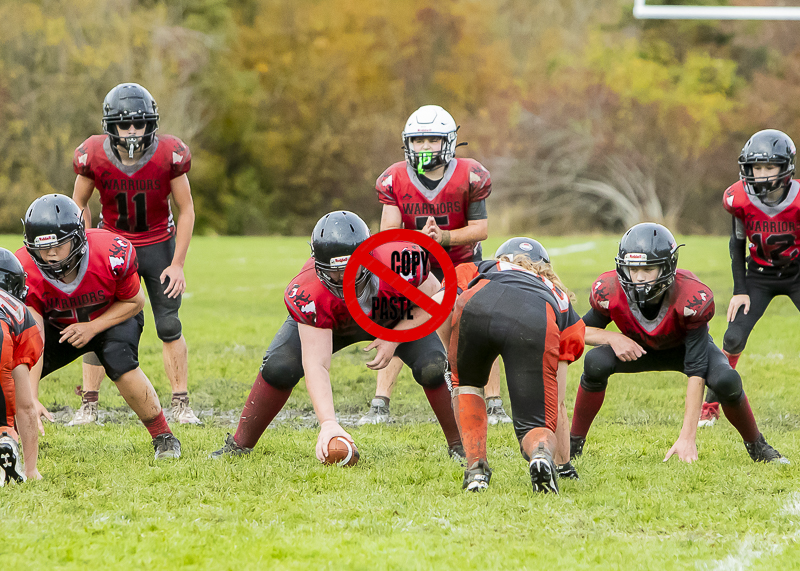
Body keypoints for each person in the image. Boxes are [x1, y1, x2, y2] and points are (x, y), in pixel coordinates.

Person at [211, 211, 463, 462]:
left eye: (351, 269)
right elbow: (316, 364)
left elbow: (436, 301)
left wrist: (395, 336)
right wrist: (328, 423)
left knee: (432, 365)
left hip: (394, 316)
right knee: (280, 366)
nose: (343, 278)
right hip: (334, 322)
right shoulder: (311, 291)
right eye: (335, 272)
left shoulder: (400, 259)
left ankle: (459, 445)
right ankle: (239, 445)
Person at [569, 222, 787, 464]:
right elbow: (576, 331)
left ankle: (757, 445)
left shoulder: (691, 296)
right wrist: (611, 337)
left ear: (667, 266)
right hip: (638, 348)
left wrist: (687, 437)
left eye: (648, 269)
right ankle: (573, 443)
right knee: (595, 362)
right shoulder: (610, 289)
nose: (638, 278)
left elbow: (696, 370)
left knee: (727, 380)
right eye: (632, 268)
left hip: (683, 350)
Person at [360, 104, 510, 426]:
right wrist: (419, 239)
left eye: (432, 139)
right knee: (396, 317)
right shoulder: (395, 178)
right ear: (407, 143)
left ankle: (494, 403)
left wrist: (442, 238)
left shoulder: (469, 174)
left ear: (449, 142)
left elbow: (480, 229)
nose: (425, 147)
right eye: (418, 140)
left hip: (462, 259)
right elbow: (388, 235)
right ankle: (379, 403)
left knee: (479, 319)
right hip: (412, 263)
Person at [71, 82, 200, 426]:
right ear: (110, 126)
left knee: (169, 324)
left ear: (151, 123)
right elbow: (78, 204)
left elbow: (186, 209)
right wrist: (87, 246)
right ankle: (89, 404)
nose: (132, 130)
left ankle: (181, 403)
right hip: (112, 246)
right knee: (96, 323)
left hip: (158, 243)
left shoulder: (168, 153)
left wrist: (178, 263)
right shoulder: (93, 154)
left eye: (139, 123)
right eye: (125, 124)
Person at [17, 194, 181, 460]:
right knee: (13, 373)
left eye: (59, 245)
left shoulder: (111, 252)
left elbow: (135, 301)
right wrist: (31, 397)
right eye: (42, 248)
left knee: (121, 362)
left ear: (78, 237)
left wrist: (92, 327)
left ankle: (164, 436)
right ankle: (9, 438)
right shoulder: (25, 268)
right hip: (60, 327)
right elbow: (33, 340)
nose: (50, 254)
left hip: (113, 316)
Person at [446, 238, 584, 493]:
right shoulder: (559, 295)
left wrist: (452, 361)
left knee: (466, 386)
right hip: (534, 316)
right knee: (536, 424)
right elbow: (560, 397)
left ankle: (476, 469)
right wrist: (563, 462)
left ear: (502, 258)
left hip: (478, 303)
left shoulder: (485, 266)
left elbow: (442, 299)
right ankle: (541, 453)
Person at [700, 129, 800, 427]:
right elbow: (736, 243)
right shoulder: (739, 198)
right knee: (732, 337)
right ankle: (711, 405)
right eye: (757, 167)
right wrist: (740, 289)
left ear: (785, 168)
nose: (762, 173)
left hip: (797, 274)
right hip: (758, 276)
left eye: (769, 167)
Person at [0, 249, 44, 485]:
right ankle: (6, 438)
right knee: (9, 413)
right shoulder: (18, 310)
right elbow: (26, 406)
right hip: (4, 332)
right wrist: (32, 469)